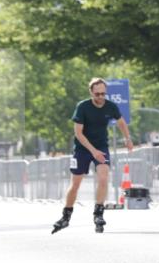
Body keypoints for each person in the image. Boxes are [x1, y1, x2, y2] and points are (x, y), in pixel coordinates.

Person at [51, 78, 133, 234]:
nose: (101, 97)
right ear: (91, 92)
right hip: (82, 149)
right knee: (75, 184)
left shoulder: (110, 106)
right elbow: (78, 133)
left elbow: (121, 122)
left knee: (103, 177)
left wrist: (128, 139)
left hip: (101, 147)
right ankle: (66, 216)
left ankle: (98, 214)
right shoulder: (83, 107)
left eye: (103, 93)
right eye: (97, 94)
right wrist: (92, 151)